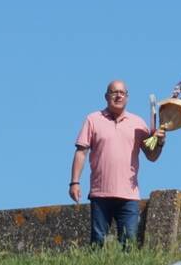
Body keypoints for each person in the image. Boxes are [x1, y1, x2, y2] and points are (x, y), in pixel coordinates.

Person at [69, 80, 166, 247]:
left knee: (129, 244)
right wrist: (74, 182)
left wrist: (160, 142)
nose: (118, 95)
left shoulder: (138, 124)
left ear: (127, 97)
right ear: (106, 96)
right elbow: (81, 152)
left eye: (122, 92)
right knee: (97, 243)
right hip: (100, 194)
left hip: (129, 196)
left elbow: (152, 156)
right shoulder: (93, 119)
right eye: (114, 92)